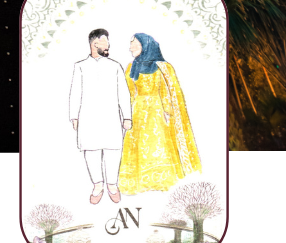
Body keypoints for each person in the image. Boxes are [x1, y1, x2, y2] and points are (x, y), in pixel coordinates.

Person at [117, 32, 201, 195]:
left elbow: (167, 92)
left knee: (158, 143)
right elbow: (128, 92)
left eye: (134, 44)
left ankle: (160, 180)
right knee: (136, 144)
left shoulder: (163, 67)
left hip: (157, 112)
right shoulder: (131, 67)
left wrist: (168, 112)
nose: (130, 47)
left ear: (145, 45)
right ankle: (137, 182)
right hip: (137, 110)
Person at [68, 28, 132, 205]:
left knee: (113, 151)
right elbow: (75, 92)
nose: (108, 45)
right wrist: (74, 116)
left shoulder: (115, 66)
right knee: (91, 151)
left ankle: (112, 185)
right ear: (95, 43)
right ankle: (97, 185)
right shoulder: (80, 66)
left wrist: (127, 117)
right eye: (105, 41)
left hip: (111, 117)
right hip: (88, 117)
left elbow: (123, 93)